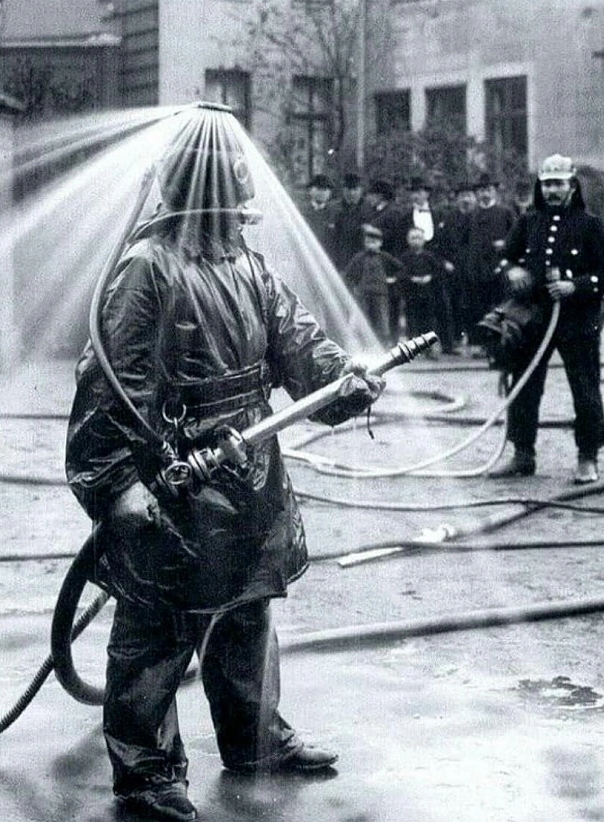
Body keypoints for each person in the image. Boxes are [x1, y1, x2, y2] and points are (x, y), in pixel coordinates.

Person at [65, 115, 384, 822]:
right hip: (174, 475)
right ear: (189, 186)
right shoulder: (147, 270)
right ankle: (146, 771)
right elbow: (105, 389)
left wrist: (342, 378)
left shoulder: (247, 263)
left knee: (246, 610)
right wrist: (115, 488)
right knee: (157, 623)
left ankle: (254, 739)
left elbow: (298, 343)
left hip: (250, 471)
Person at [489, 154, 604, 484]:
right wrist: (513, 269)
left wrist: (574, 285)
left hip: (578, 321)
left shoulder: (590, 225)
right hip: (533, 318)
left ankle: (588, 457)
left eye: (559, 183)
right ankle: (523, 454)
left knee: (584, 388)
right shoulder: (529, 222)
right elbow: (505, 258)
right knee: (524, 385)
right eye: (547, 184)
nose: (552, 190)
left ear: (572, 186)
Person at [464, 172, 516, 352]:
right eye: (481, 191)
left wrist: (505, 243)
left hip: (499, 267)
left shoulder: (505, 212)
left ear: (494, 191)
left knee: (500, 306)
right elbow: (465, 242)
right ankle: (479, 345)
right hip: (477, 269)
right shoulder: (471, 215)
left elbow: (517, 238)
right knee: (478, 307)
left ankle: (500, 343)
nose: (484, 194)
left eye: (488, 190)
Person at [398, 226, 455, 354]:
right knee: (412, 321)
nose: (416, 241)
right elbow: (401, 274)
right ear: (408, 240)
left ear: (424, 240)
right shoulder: (405, 257)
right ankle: (413, 346)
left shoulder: (429, 256)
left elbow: (438, 272)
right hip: (411, 294)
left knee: (428, 321)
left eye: (419, 238)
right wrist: (412, 279)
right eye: (413, 238)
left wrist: (429, 277)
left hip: (428, 295)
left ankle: (429, 346)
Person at [438, 180, 477, 350]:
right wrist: (445, 261)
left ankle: (476, 340)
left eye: (469, 196)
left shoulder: (478, 216)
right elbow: (441, 243)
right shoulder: (450, 218)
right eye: (462, 196)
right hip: (454, 268)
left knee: (475, 303)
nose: (466, 200)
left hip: (475, 268)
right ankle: (456, 340)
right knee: (455, 304)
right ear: (457, 199)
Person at [365, 178, 405, 340]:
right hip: (377, 264)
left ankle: (392, 339)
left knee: (392, 302)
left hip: (389, 262)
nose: (369, 198)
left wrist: (373, 231)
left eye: (373, 194)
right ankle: (381, 339)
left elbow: (394, 237)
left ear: (381, 196)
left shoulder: (392, 213)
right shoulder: (377, 212)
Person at [344, 223, 393, 344]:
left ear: (380, 243)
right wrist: (354, 287)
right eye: (368, 241)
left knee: (381, 320)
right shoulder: (359, 257)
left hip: (380, 293)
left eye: (374, 241)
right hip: (363, 294)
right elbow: (348, 275)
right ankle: (363, 344)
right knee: (363, 319)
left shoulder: (385, 257)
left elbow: (400, 268)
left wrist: (392, 279)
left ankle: (382, 344)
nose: (371, 244)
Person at [331, 171, 367, 273]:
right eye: (348, 189)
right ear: (343, 190)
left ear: (361, 190)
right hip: (339, 259)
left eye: (355, 189)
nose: (352, 193)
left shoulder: (368, 208)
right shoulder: (334, 208)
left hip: (362, 260)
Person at [300, 173, 336, 259]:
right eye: (319, 189)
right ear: (311, 190)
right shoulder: (301, 211)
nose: (322, 193)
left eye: (326, 190)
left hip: (327, 259)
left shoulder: (334, 213)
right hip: (305, 256)